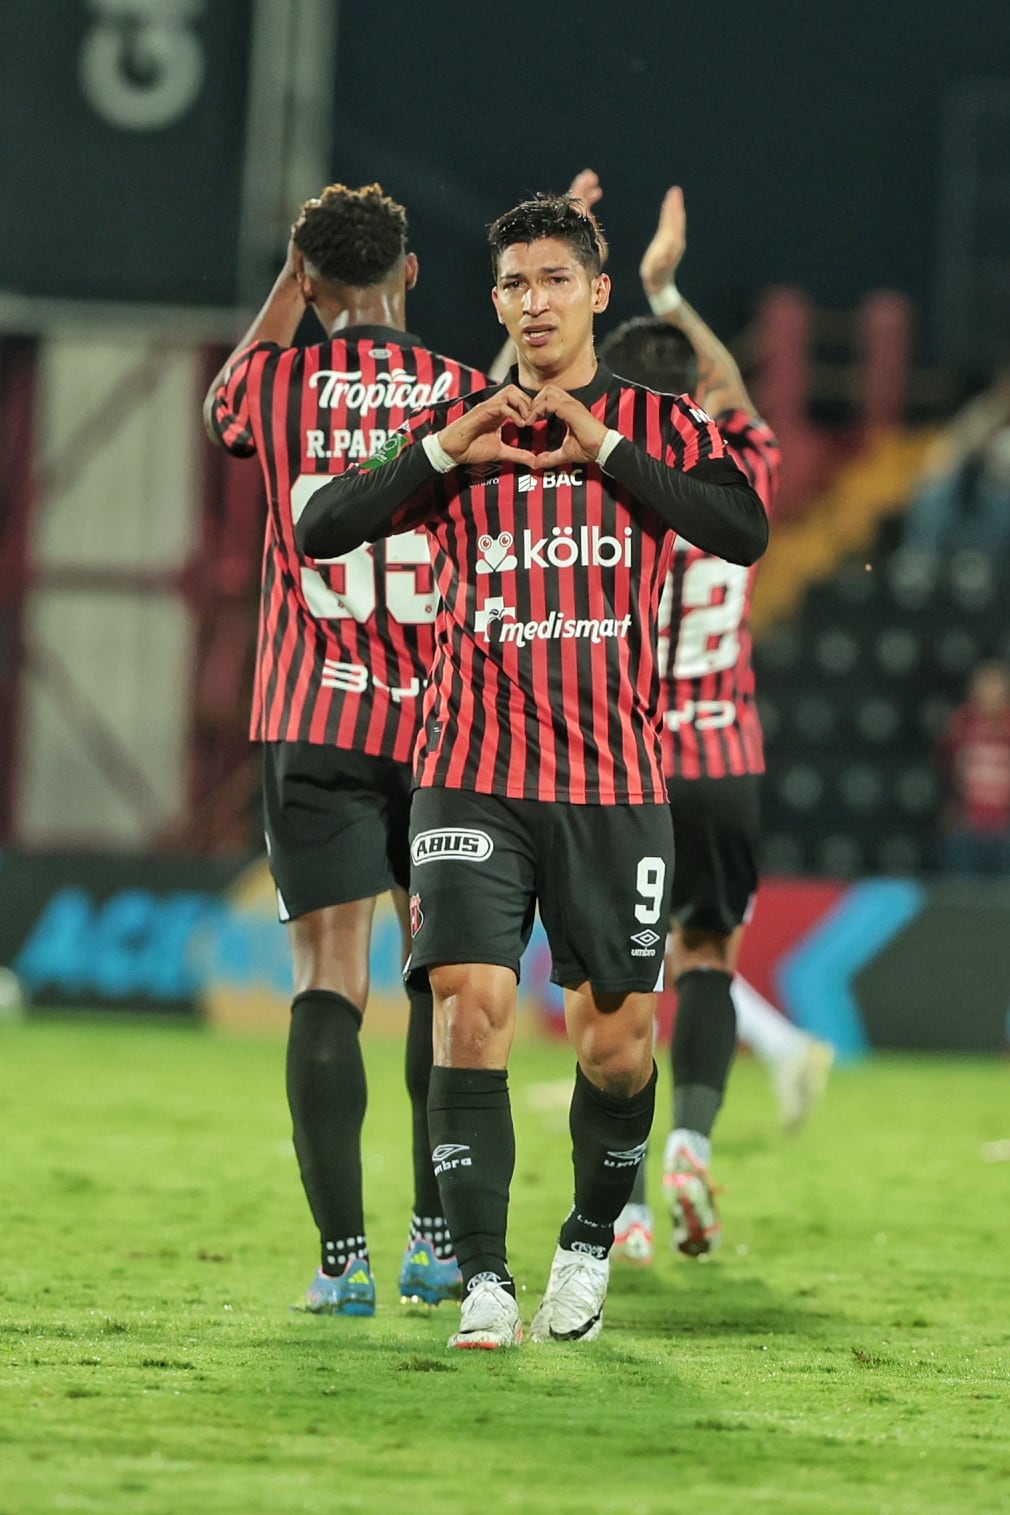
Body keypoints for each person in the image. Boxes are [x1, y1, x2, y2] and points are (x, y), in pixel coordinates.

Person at [296, 192, 767, 1349]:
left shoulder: (655, 423)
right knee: (469, 1009)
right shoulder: (457, 426)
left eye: (554, 279)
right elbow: (319, 529)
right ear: (496, 302)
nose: (532, 302)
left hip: (614, 785)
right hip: (470, 773)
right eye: (512, 285)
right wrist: (436, 449)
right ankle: (485, 1282)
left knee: (614, 1046)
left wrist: (604, 450)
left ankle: (584, 1247)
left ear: (596, 293)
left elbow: (742, 529)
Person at [203, 183, 489, 1316]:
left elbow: (223, 409)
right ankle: (433, 1242)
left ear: (309, 282)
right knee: (440, 982)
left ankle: (342, 1267)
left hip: (310, 716)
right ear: (412, 274)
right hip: (444, 729)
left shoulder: (274, 386)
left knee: (329, 981)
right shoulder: (468, 394)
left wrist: (291, 279)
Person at [598, 185, 833, 1269]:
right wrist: (666, 291)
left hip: (625, 761)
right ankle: (691, 1138)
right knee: (706, 958)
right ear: (690, 391)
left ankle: (629, 1200)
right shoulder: (737, 475)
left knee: (618, 981)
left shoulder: (590, 486)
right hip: (724, 755)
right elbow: (733, 387)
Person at [902, 371, 1010, 559]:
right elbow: (953, 450)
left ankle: (980, 562)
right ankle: (921, 559)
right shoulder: (983, 411)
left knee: (998, 502)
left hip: (999, 494)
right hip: (965, 487)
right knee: (932, 495)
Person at [934, 660, 1010, 876]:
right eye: (985, 687)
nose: (990, 695)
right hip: (969, 823)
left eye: (997, 687)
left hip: (1005, 826)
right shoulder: (961, 725)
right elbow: (945, 767)